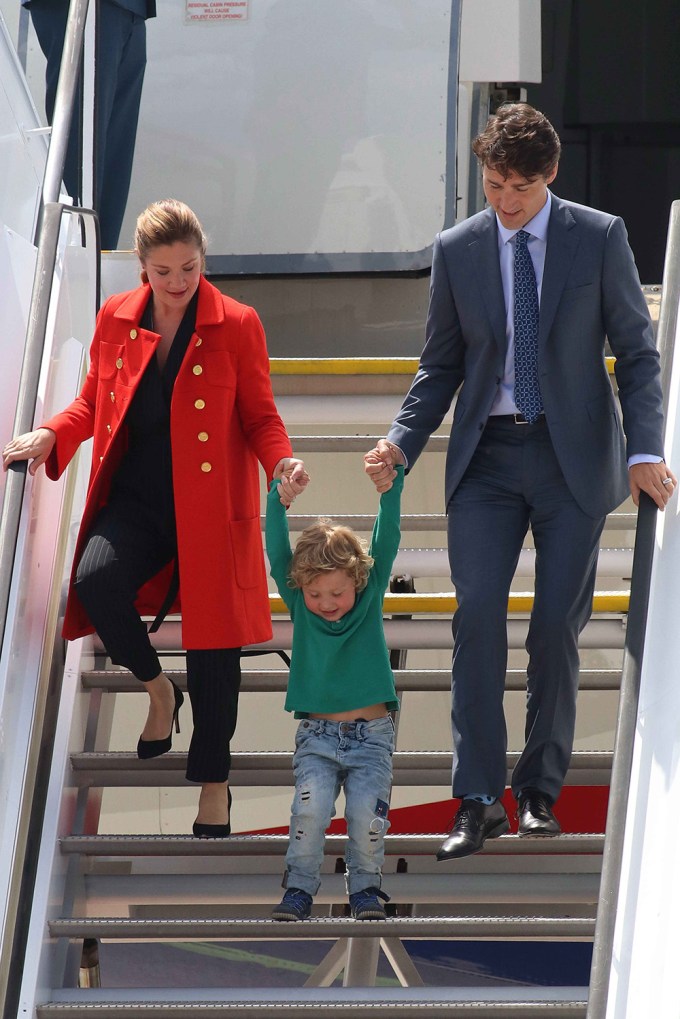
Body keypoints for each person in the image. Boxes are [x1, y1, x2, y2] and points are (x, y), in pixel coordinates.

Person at [365, 103, 675, 860]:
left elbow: (637, 355)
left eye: (520, 188)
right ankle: (476, 799)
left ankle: (538, 793)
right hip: (487, 462)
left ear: (551, 175)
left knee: (552, 631)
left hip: (574, 459)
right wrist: (401, 441)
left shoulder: (599, 237)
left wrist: (645, 449)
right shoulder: (458, 247)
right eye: (495, 183)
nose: (505, 202)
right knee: (476, 619)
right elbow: (440, 365)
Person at [2, 198, 309, 837]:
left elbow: (260, 417)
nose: (176, 283)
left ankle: (213, 788)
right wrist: (51, 434)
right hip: (137, 499)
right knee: (94, 583)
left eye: (189, 269)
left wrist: (281, 464)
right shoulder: (116, 315)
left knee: (215, 651)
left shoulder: (239, 323)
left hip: (211, 509)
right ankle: (157, 689)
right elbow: (92, 401)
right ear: (141, 266)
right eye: (163, 271)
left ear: (203, 261)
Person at [265, 458, 404, 921]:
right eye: (316, 594)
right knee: (309, 813)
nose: (326, 603)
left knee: (367, 818)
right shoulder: (300, 605)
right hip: (318, 736)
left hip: (372, 735)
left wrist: (390, 489)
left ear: (358, 583)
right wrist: (279, 500)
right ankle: (299, 890)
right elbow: (276, 548)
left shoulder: (372, 593)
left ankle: (365, 889)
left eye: (336, 593)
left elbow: (388, 539)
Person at [22, 0, 156, 249]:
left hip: (130, 8)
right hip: (85, 7)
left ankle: (95, 270)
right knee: (81, 165)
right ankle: (73, 270)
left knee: (111, 166)